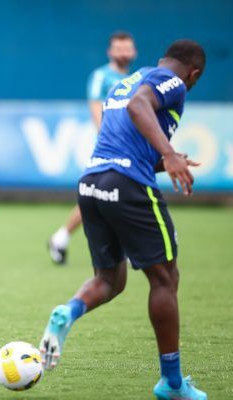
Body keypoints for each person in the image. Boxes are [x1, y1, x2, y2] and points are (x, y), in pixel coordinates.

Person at [39, 39, 207, 399]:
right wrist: (169, 153)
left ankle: (67, 312)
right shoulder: (171, 82)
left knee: (111, 279)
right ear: (194, 74)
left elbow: (126, 136)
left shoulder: (126, 81)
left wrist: (167, 159)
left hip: (92, 184)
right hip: (126, 184)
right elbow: (139, 106)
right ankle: (173, 384)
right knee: (165, 279)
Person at [48, 31, 137, 265]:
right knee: (105, 193)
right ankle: (123, 245)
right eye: (119, 48)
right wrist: (108, 139)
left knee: (102, 194)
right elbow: (96, 108)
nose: (123, 52)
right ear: (110, 52)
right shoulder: (101, 76)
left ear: (134, 52)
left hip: (127, 146)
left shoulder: (135, 80)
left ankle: (61, 237)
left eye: (127, 48)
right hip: (109, 146)